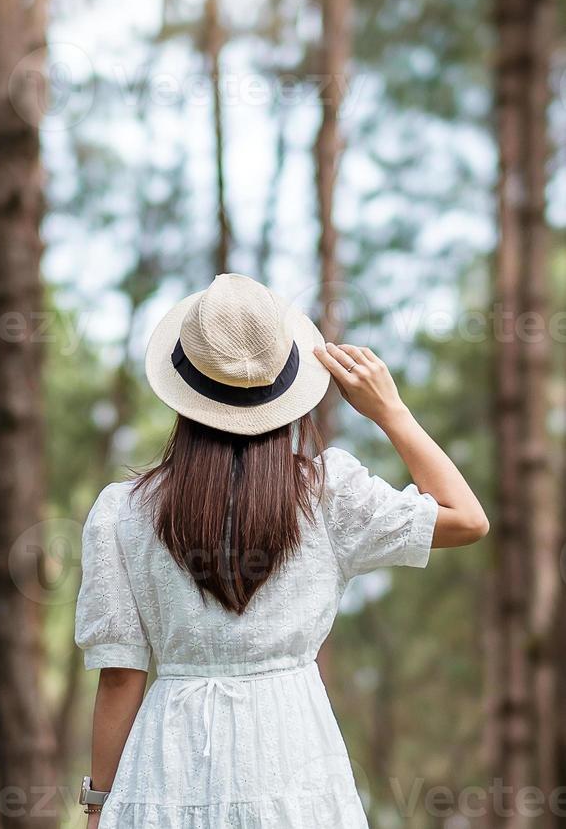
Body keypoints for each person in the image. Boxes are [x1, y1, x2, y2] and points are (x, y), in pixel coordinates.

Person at [75, 273, 488, 829]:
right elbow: (467, 518)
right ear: (285, 386)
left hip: (168, 766)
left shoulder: (122, 511)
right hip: (294, 758)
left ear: (183, 387)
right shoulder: (328, 494)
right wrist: (390, 410)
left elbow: (121, 677)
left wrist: (99, 807)